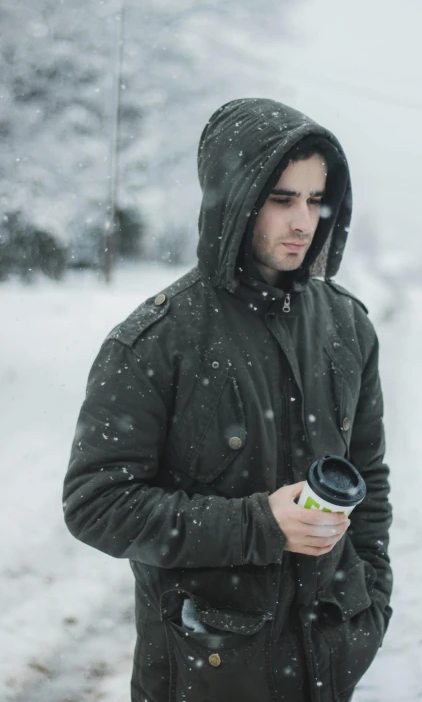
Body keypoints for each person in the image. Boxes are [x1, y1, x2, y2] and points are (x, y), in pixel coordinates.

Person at [63, 98, 393, 702]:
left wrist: (371, 604)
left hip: (328, 662)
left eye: (316, 200)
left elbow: (368, 476)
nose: (304, 222)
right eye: (283, 199)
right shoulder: (157, 341)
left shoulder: (346, 325)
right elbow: (96, 504)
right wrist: (259, 525)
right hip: (206, 668)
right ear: (235, 198)